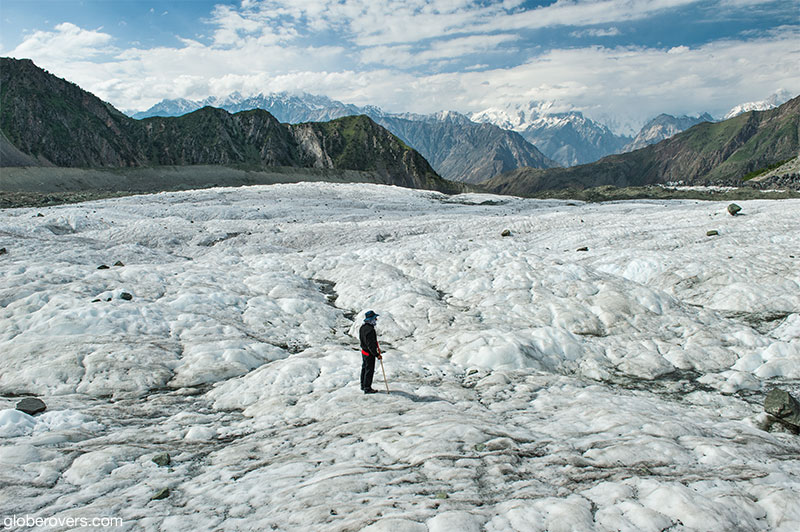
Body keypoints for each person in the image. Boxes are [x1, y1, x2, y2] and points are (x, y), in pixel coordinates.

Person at [359, 310, 382, 394]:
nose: (376, 320)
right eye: (375, 318)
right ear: (371, 319)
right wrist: (376, 354)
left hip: (364, 352)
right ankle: (367, 388)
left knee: (364, 369)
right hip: (369, 353)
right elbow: (370, 345)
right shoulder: (370, 330)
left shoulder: (362, 328)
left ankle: (363, 385)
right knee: (369, 370)